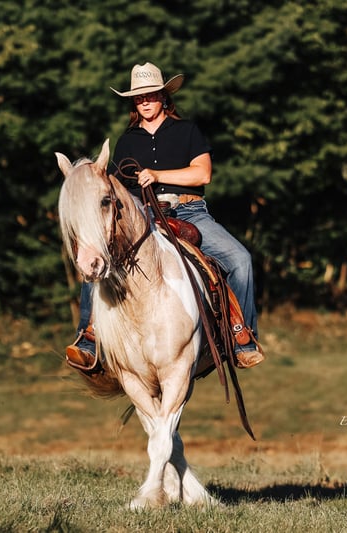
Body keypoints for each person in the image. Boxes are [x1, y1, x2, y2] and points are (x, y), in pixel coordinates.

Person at [66, 62, 264, 370]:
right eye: (138, 97)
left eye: (150, 95)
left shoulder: (187, 131)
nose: (144, 101)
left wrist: (158, 175)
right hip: (143, 215)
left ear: (163, 96)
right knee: (95, 257)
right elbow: (116, 188)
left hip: (190, 211)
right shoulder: (127, 140)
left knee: (240, 259)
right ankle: (89, 339)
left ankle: (242, 337)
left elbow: (203, 174)